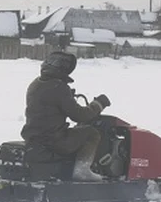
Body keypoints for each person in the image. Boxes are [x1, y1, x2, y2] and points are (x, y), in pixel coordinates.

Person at [20, 51, 111, 182]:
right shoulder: (59, 87)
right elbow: (80, 115)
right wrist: (98, 104)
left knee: (77, 132)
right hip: (54, 140)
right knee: (91, 133)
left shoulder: (36, 84)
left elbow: (49, 105)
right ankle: (83, 170)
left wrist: (68, 97)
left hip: (34, 137)